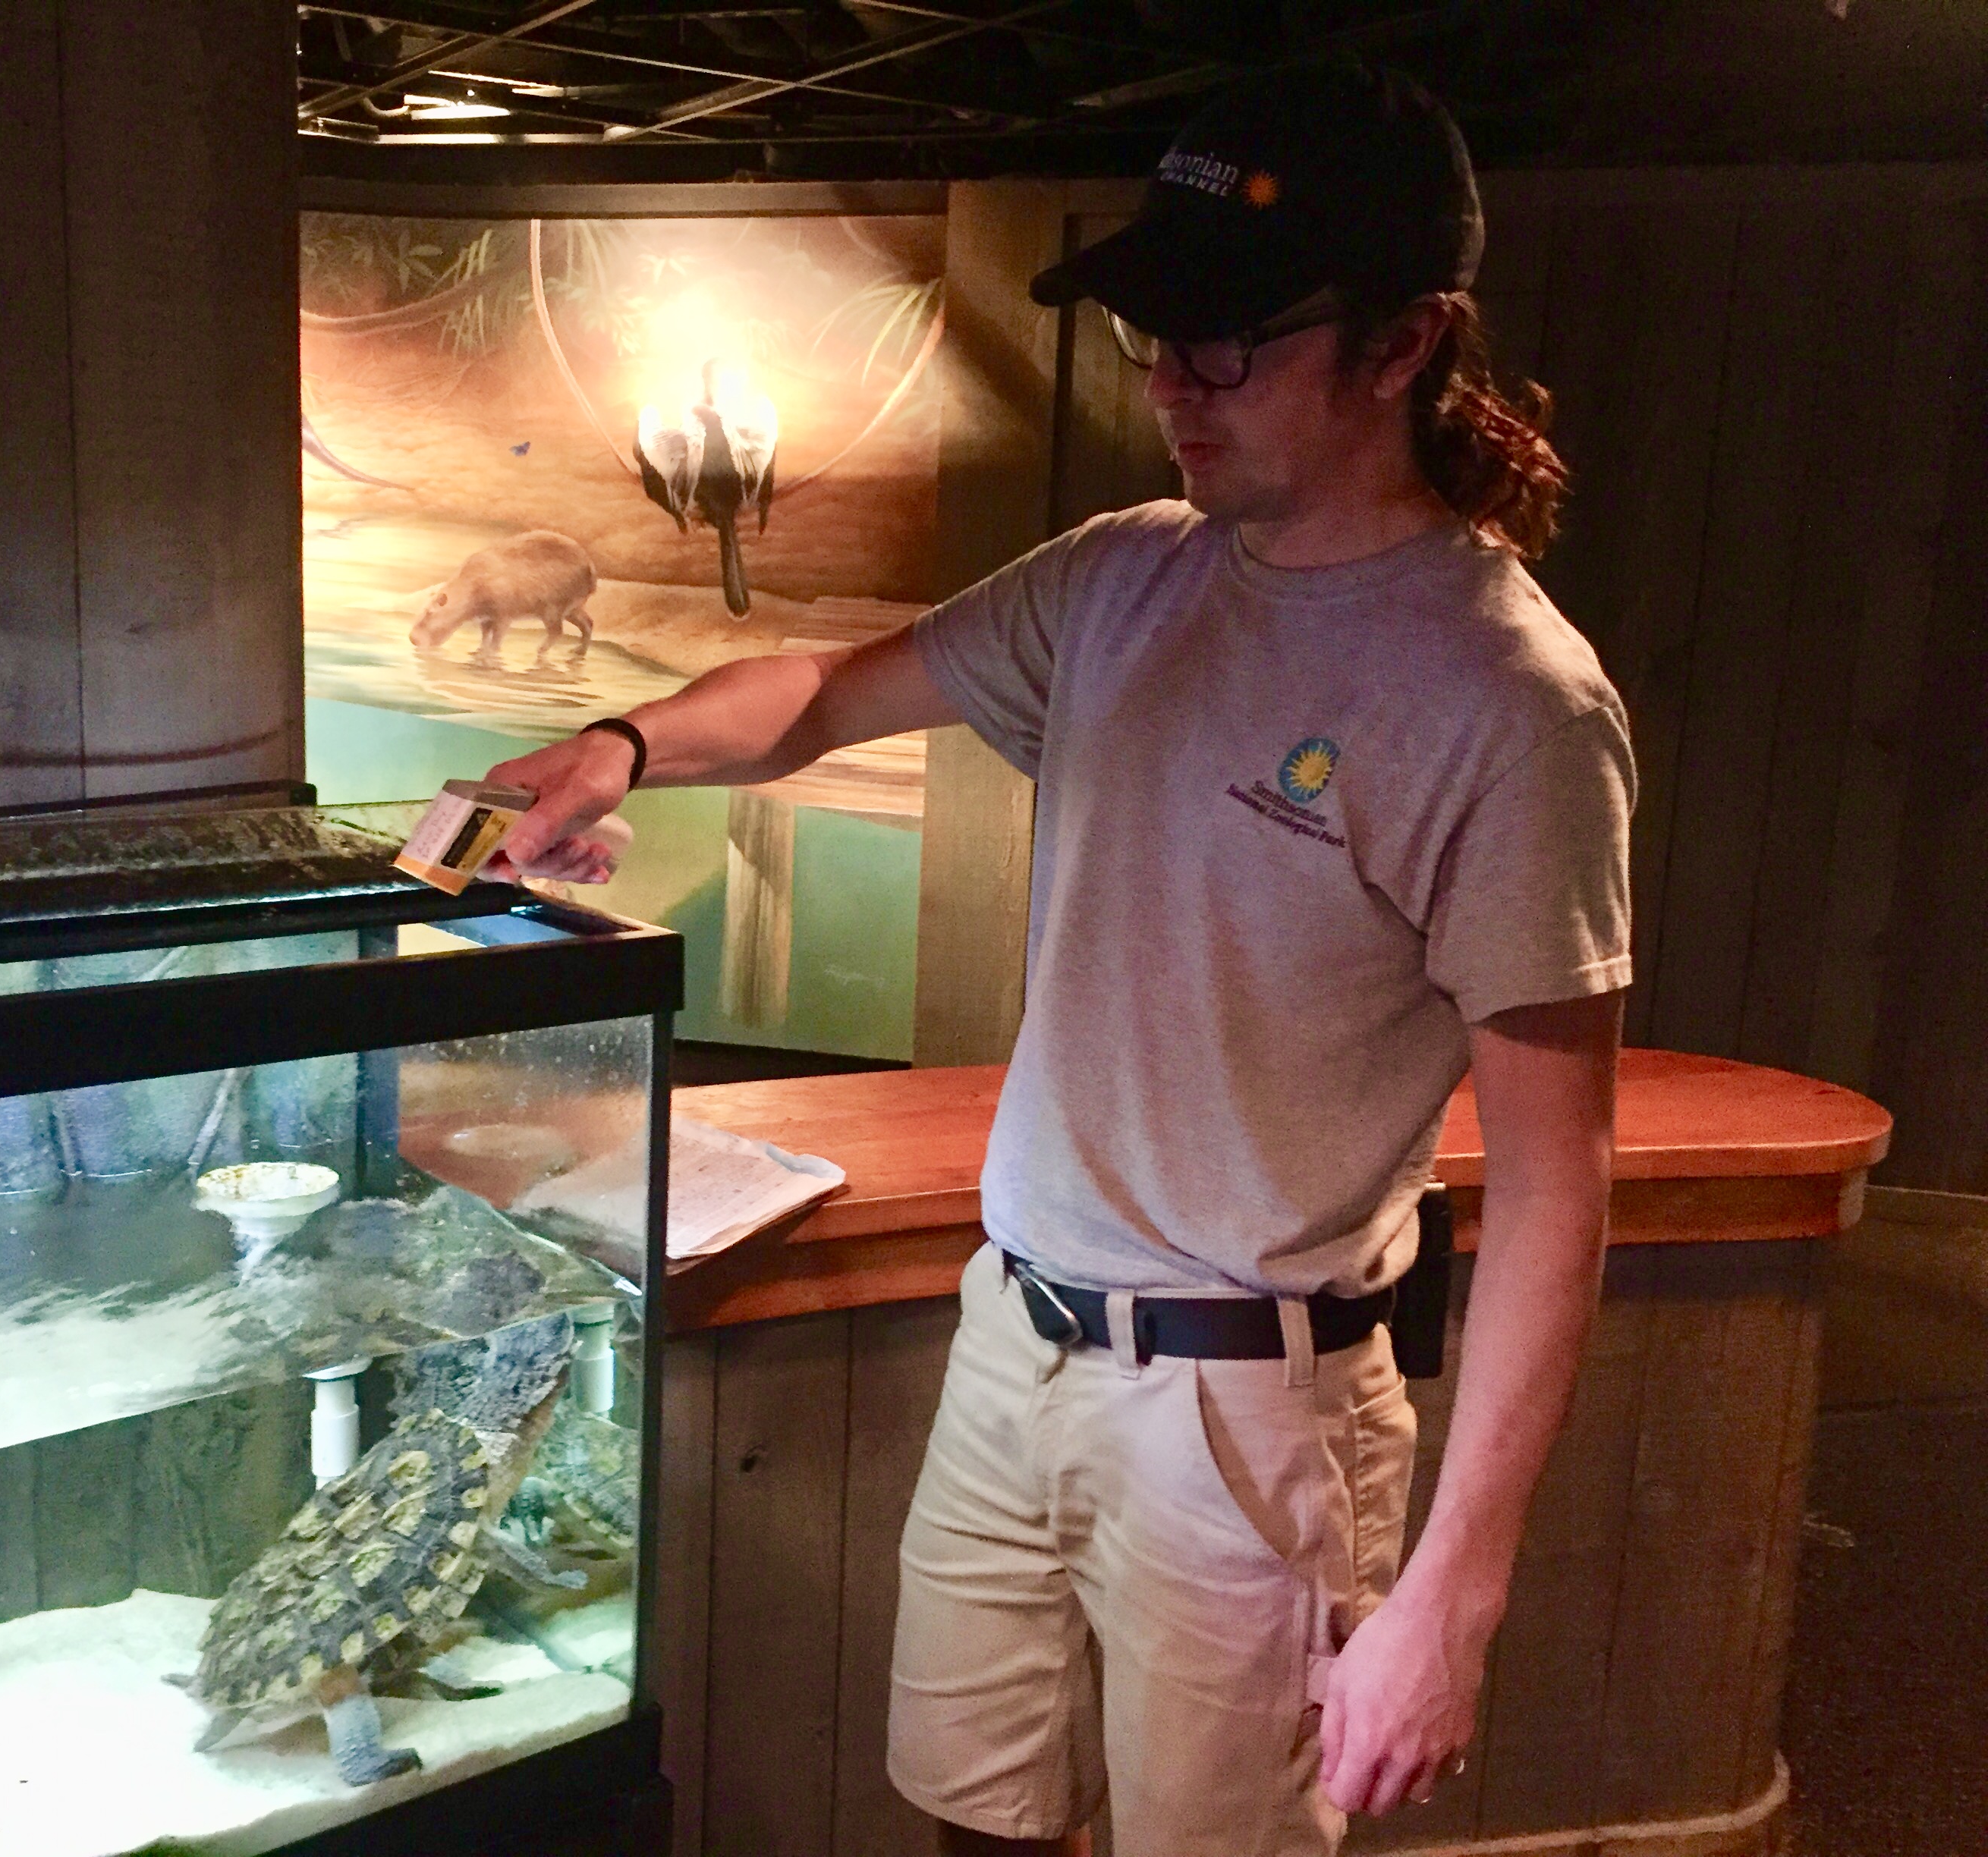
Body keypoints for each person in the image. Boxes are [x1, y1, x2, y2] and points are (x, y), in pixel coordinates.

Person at [486, 59, 1633, 1857]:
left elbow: (1562, 1189)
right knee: (973, 1822)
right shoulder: (1125, 579)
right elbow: (815, 694)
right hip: (1013, 1339)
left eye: (1228, 339)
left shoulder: (1509, 702)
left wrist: (1452, 1603)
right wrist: (621, 744)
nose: (1168, 379)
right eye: (1152, 331)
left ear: (1408, 344)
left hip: (1251, 1413)